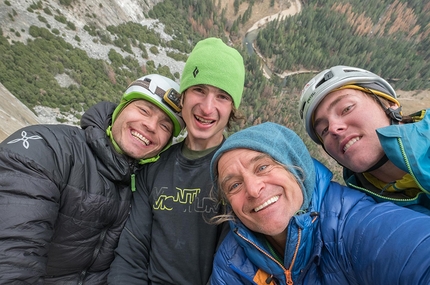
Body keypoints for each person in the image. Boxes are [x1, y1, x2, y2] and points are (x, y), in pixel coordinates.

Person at [0, 74, 185, 284]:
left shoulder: (148, 187)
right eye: (144, 110)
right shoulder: (46, 151)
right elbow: (13, 257)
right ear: (120, 108)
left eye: (165, 127)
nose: (151, 126)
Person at [209, 122, 430, 285]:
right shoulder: (232, 262)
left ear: (296, 168)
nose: (253, 189)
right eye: (234, 185)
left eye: (263, 167)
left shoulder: (350, 226)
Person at [108, 37, 246, 284]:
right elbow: (131, 254)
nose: (207, 108)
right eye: (199, 90)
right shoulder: (154, 167)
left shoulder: (239, 171)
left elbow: (237, 265)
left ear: (232, 108)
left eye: (222, 96)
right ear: (183, 97)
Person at [299, 65, 430, 213]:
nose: (333, 128)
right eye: (323, 130)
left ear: (390, 105)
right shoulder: (359, 211)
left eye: (347, 108)